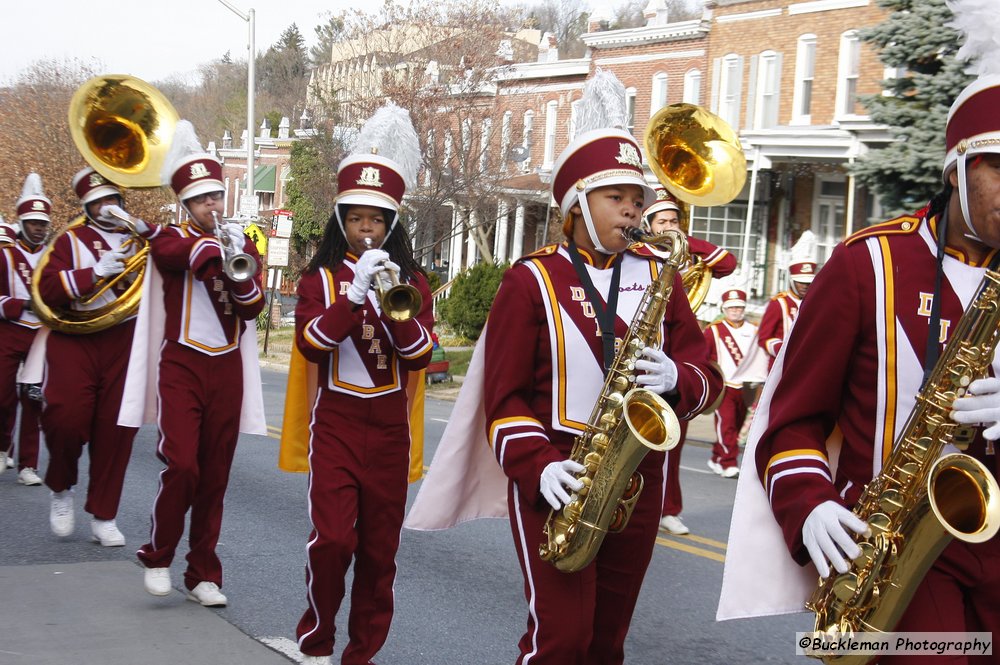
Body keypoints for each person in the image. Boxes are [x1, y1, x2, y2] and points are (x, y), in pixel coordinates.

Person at [717, 63, 1000, 650]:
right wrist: (810, 503)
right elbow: (792, 419)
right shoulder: (866, 264)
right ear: (957, 170)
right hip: (899, 548)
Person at [483, 71, 723, 665]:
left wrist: (677, 378)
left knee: (607, 644)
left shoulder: (659, 274)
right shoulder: (531, 279)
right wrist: (537, 467)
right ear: (577, 205)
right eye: (617, 198)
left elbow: (709, 374)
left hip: (638, 481)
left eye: (638, 198)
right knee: (558, 642)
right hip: (558, 476)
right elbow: (504, 398)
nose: (633, 209)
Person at [286, 103, 433, 665]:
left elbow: (422, 355)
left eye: (375, 220)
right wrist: (350, 298)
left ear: (390, 225)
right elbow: (311, 345)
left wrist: (393, 303)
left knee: (379, 552)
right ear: (341, 220)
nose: (365, 229)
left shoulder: (410, 280)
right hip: (339, 428)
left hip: (390, 433)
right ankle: (316, 640)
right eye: (355, 218)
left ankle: (362, 653)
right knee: (333, 542)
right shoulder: (319, 279)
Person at [116, 121, 265, 607]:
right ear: (185, 203)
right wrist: (214, 249)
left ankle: (203, 571)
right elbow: (177, 253)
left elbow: (254, 307)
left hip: (226, 369)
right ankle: (158, 555)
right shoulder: (172, 240)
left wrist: (241, 267)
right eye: (202, 200)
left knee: (216, 475)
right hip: (181, 365)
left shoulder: (238, 242)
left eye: (216, 197)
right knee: (181, 466)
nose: (212, 207)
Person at [33, 168, 141, 546]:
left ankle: (104, 514)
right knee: (65, 416)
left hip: (123, 337)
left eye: (112, 199)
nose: (108, 207)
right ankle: (61, 488)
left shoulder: (137, 241)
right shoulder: (69, 240)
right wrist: (93, 273)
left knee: (117, 428)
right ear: (88, 206)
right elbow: (46, 289)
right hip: (75, 337)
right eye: (98, 202)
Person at [644, 187, 736, 535]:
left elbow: (727, 261)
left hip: (680, 354)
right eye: (662, 221)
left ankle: (668, 508)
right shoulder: (641, 254)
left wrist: (686, 242)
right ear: (649, 225)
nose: (669, 226)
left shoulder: (686, 257)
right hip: (650, 350)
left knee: (675, 437)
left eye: (674, 220)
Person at [0, 202, 47, 487]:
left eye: (43, 223)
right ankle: (4, 445)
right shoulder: (5, 256)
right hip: (9, 330)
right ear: (22, 223)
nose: (39, 228)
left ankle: (28, 464)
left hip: (40, 335)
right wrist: (24, 304)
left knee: (34, 399)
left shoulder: (54, 256)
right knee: (3, 394)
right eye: (33, 223)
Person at [703, 289, 756, 479]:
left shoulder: (753, 330)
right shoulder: (714, 330)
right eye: (732, 307)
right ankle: (728, 462)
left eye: (739, 307)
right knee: (727, 425)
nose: (735, 311)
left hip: (746, 386)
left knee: (737, 424)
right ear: (724, 309)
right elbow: (704, 357)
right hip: (724, 386)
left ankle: (718, 456)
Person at [756, 255, 815, 370]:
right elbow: (764, 337)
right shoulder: (778, 303)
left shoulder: (816, 302)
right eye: (800, 282)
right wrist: (783, 350)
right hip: (781, 364)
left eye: (808, 283)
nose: (805, 286)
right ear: (792, 281)